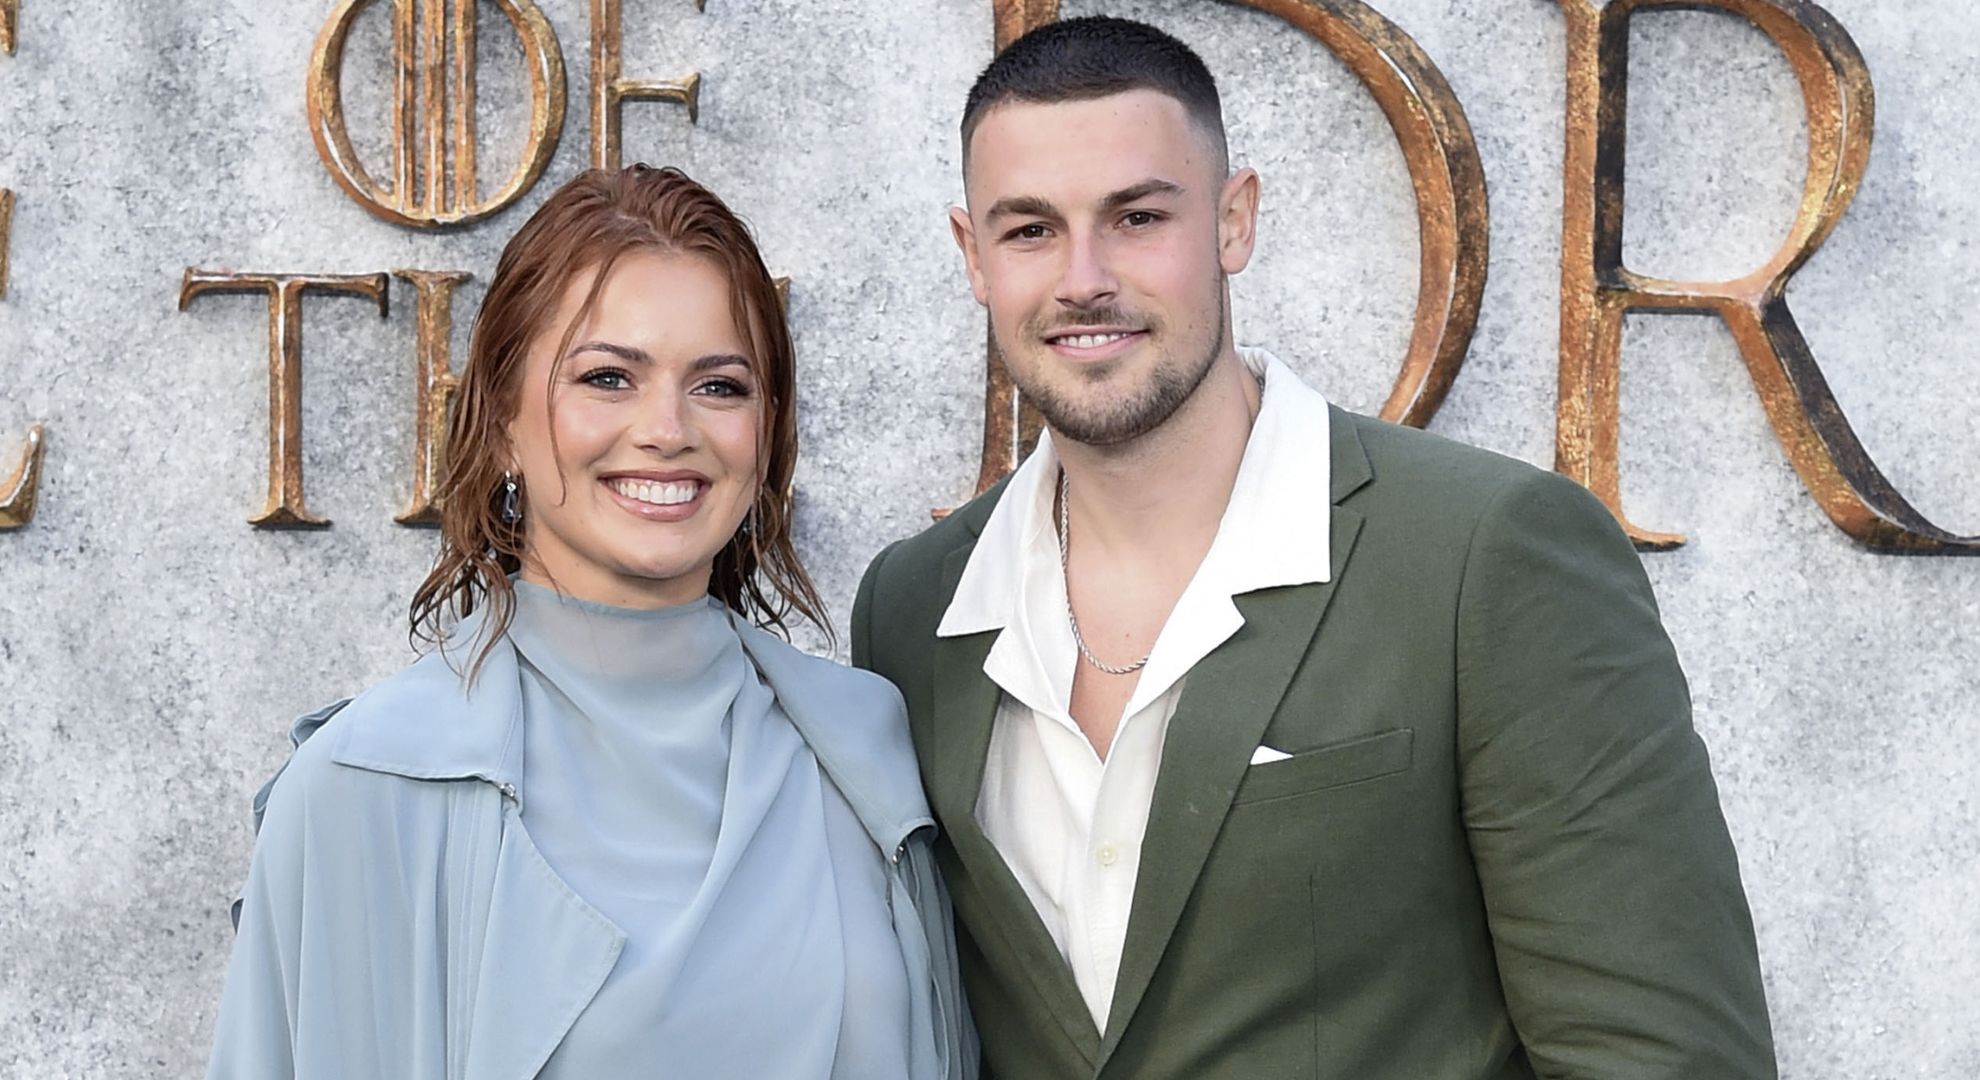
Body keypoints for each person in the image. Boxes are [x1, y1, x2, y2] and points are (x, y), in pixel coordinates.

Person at [853, 16, 1774, 1080]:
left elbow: (1662, 1056)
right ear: (973, 256)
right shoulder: (912, 611)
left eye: (1138, 217)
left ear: (1233, 221)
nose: (1083, 279)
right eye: (1030, 232)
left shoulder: (1487, 557)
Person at [207, 165, 972, 1080]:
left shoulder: (863, 751)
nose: (666, 429)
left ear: (767, 431)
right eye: (609, 377)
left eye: (720, 387)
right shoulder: (363, 787)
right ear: (500, 422)